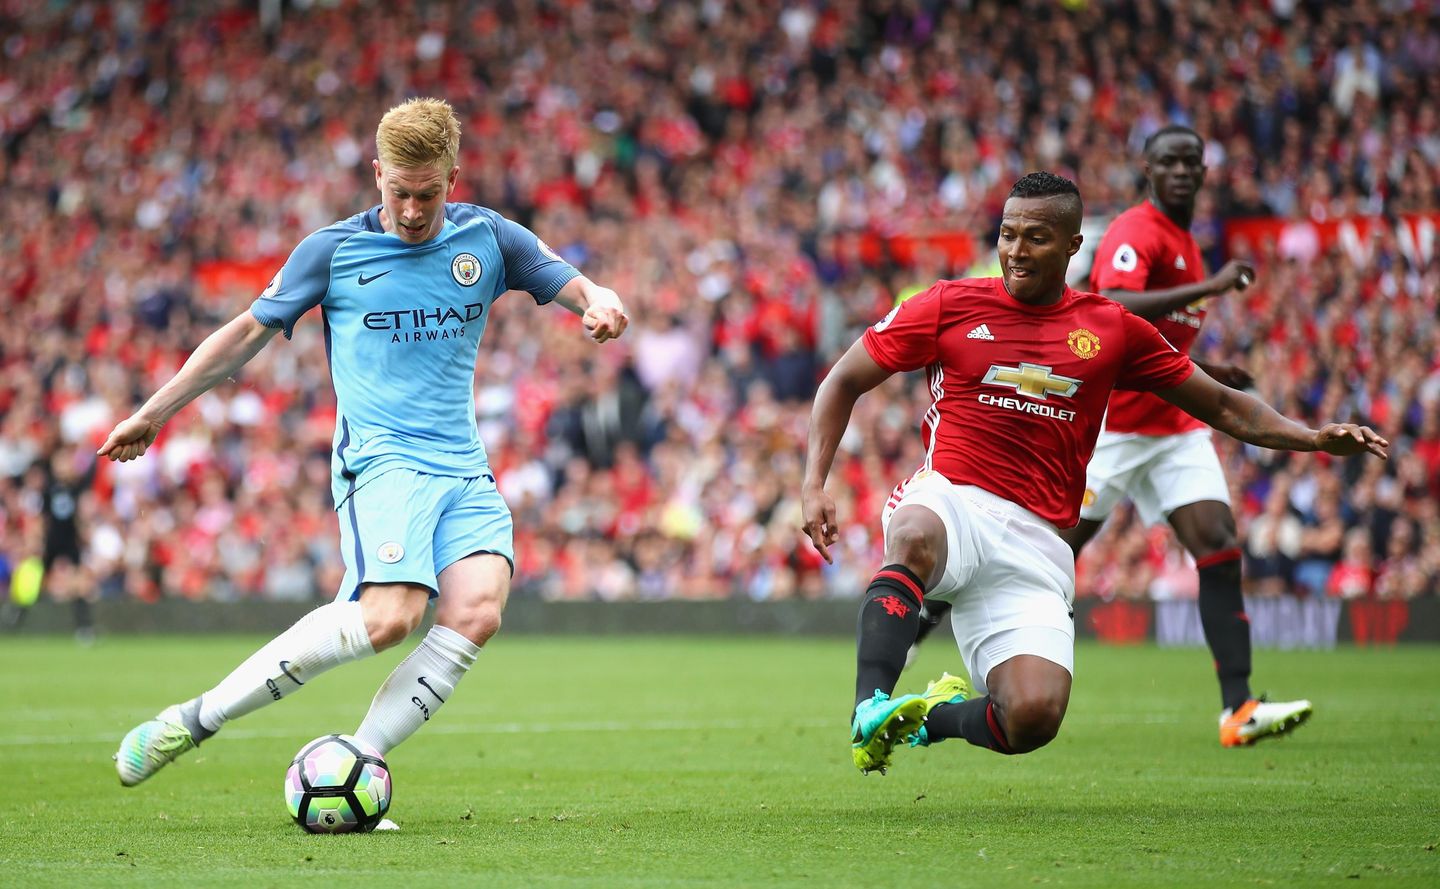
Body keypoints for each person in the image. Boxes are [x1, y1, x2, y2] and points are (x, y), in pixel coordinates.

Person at [103, 98, 629, 802]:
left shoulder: (489, 239)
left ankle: (357, 757)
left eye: (428, 194)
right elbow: (243, 335)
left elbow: (576, 281)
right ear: (377, 175)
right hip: (379, 460)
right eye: (398, 192)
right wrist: (153, 411)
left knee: (477, 609)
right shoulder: (334, 250)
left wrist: (601, 301)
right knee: (390, 618)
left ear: (454, 176)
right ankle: (193, 719)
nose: (412, 211)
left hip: (461, 465)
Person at [800, 172, 1386, 775]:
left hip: (1037, 540)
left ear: (1074, 246)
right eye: (1007, 235)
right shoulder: (950, 303)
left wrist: (1314, 437)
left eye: (1036, 237)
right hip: (955, 498)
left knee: (1031, 717)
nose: (1017, 251)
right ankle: (868, 707)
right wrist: (814, 483)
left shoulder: (1110, 328)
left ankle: (923, 720)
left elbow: (1224, 406)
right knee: (915, 533)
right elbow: (842, 380)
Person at [910, 126, 1315, 748]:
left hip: (1172, 427)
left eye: (1191, 162)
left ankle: (1237, 709)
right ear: (1147, 170)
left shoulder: (1186, 240)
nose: (1180, 171)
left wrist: (1212, 374)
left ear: (1205, 173)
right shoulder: (1137, 232)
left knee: (1218, 541)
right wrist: (1209, 290)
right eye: (1168, 161)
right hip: (1112, 427)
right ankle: (926, 609)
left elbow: (1157, 345)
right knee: (1043, 538)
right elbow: (1116, 302)